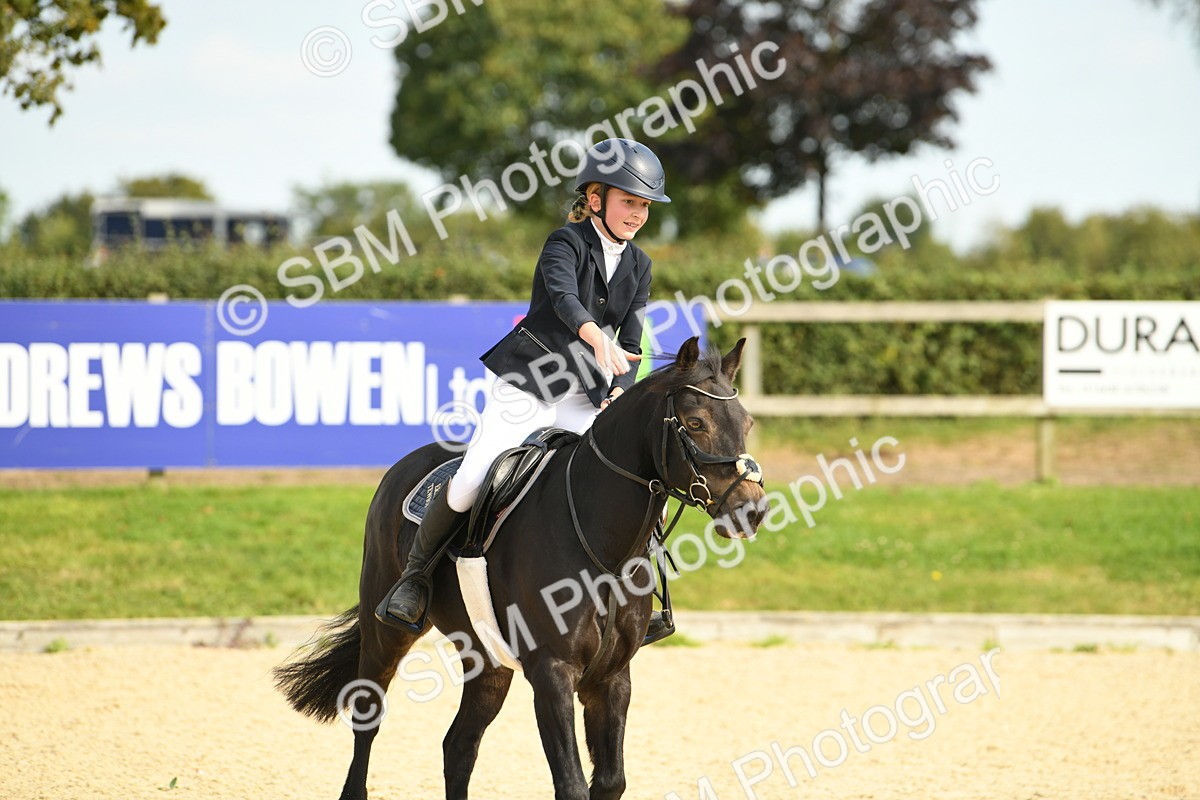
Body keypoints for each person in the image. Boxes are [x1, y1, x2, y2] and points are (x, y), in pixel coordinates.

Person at [375, 138, 671, 633]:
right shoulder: (565, 243)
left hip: (585, 396)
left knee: (627, 478)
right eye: (628, 201)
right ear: (595, 198)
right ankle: (414, 578)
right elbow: (562, 298)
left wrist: (622, 387)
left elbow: (633, 342)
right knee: (475, 476)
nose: (637, 213)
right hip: (530, 385)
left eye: (644, 204)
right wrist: (596, 336)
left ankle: (641, 596)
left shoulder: (640, 264)